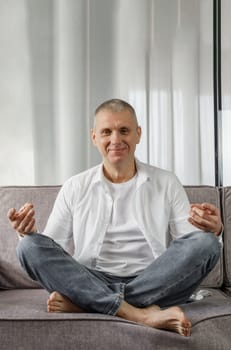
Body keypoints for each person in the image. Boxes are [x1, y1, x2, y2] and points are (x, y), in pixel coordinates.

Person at [8, 99, 223, 337]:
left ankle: (87, 303)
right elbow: (52, 249)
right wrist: (26, 232)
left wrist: (212, 229)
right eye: (106, 132)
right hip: (91, 276)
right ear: (94, 137)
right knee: (28, 246)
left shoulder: (166, 182)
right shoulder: (75, 186)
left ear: (138, 134)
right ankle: (139, 313)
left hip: (154, 277)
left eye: (124, 131)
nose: (115, 140)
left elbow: (189, 243)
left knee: (208, 243)